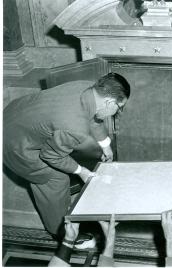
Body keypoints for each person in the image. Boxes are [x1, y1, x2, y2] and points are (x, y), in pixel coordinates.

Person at [3, 73, 130, 238]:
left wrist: (105, 145)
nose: (118, 112)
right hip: (12, 144)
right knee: (55, 179)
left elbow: (93, 116)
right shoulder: (74, 127)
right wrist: (81, 171)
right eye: (119, 108)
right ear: (109, 102)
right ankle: (62, 232)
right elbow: (50, 156)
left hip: (13, 113)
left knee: (66, 151)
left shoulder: (87, 87)